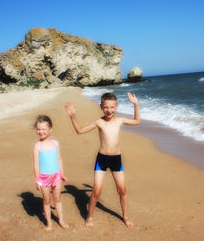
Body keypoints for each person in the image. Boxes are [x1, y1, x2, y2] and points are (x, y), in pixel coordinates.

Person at [65, 92, 140, 228]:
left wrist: (136, 105)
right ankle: (89, 217)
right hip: (102, 159)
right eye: (106, 107)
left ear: (116, 107)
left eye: (111, 107)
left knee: (122, 190)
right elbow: (80, 130)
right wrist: (73, 117)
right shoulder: (99, 122)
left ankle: (125, 216)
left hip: (116, 159)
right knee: (97, 191)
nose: (109, 110)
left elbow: (137, 121)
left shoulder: (120, 120)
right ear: (101, 107)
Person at [33, 115, 69, 232]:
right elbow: (36, 165)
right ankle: (49, 223)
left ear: (50, 129)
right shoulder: (38, 146)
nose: (41, 131)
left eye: (43, 129)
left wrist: (62, 174)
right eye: (38, 129)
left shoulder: (55, 143)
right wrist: (38, 180)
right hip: (44, 178)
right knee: (47, 201)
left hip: (56, 176)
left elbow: (59, 159)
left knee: (57, 198)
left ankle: (61, 220)